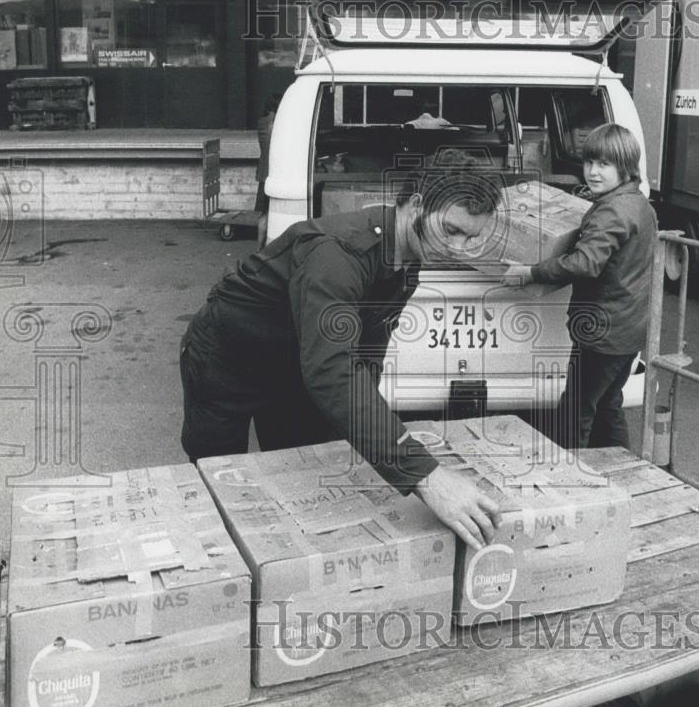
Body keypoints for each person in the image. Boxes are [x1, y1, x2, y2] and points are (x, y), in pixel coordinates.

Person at [180, 166, 503, 550]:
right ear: (417, 205)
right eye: (451, 230)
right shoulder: (339, 253)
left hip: (295, 365)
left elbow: (365, 355)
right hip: (228, 361)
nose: (458, 249)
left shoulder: (407, 258)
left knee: (299, 475)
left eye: (472, 238)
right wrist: (426, 476)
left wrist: (370, 434)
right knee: (219, 483)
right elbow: (333, 370)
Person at [502, 123, 657, 450]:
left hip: (603, 332)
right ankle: (621, 471)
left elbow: (585, 263)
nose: (593, 172)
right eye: (589, 162)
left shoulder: (611, 211)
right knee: (607, 405)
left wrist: (531, 271)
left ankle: (570, 481)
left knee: (577, 410)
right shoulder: (638, 203)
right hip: (630, 329)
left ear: (625, 167)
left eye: (604, 164)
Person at [255, 94, 280, 213]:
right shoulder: (278, 122)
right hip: (274, 168)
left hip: (263, 168)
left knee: (261, 208)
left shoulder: (261, 122)